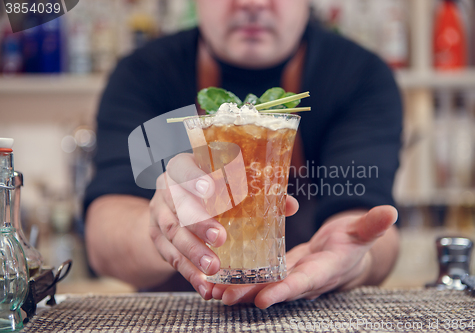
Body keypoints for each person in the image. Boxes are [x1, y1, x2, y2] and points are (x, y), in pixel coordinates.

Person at [84, 0, 402, 309]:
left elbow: (370, 221)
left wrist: (357, 258)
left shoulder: (357, 74)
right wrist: (161, 231)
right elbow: (103, 235)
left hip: (311, 313)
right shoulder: (146, 73)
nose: (253, 3)